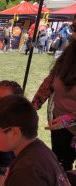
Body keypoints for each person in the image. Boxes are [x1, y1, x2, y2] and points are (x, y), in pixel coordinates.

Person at [32, 41, 76, 171]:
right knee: (60, 163)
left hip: (70, 126)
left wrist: (69, 119)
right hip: (59, 124)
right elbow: (48, 85)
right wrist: (31, 108)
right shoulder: (66, 62)